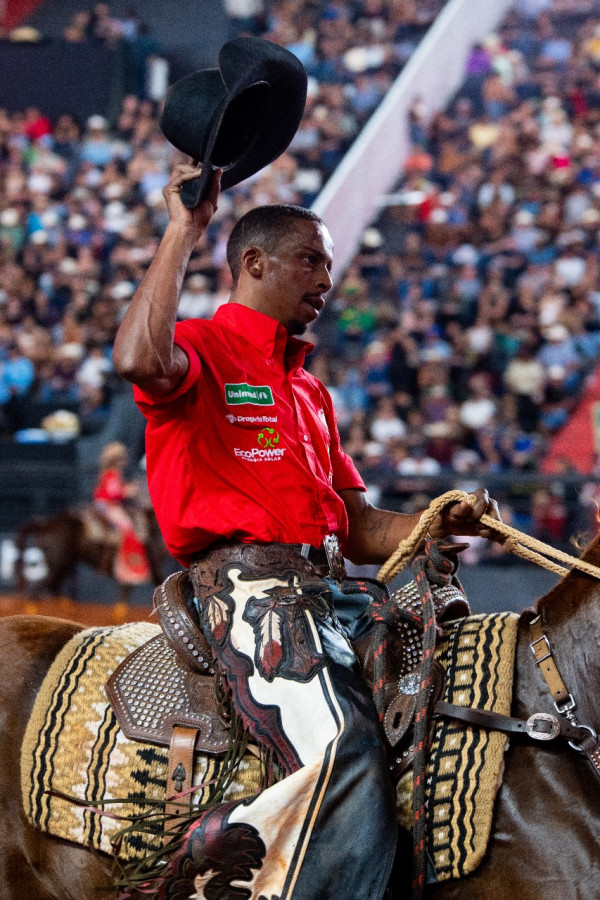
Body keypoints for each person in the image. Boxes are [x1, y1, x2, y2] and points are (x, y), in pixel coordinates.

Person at [113, 163, 502, 900]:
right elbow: (136, 357)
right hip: (245, 587)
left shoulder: (309, 390)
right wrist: (181, 232)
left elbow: (357, 526)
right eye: (311, 260)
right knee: (347, 746)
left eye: (327, 261)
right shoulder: (201, 347)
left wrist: (436, 521)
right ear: (254, 264)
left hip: (331, 588)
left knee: (444, 716)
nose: (327, 276)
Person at [93, 441, 151, 587]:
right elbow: (113, 493)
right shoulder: (112, 474)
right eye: (122, 458)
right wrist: (128, 491)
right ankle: (131, 566)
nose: (124, 461)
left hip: (107, 504)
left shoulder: (111, 474)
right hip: (107, 505)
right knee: (127, 527)